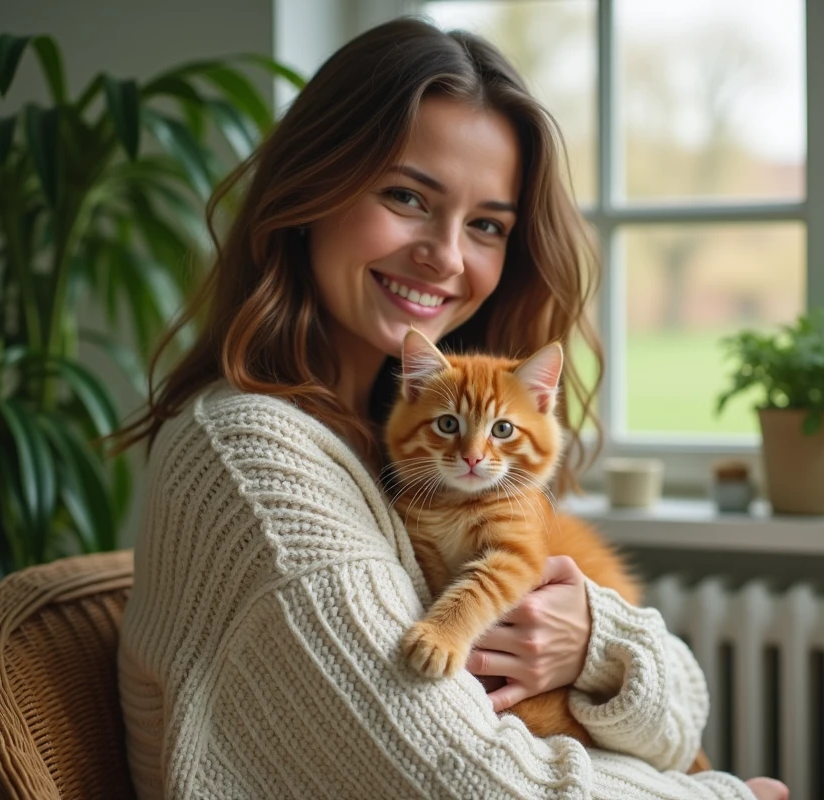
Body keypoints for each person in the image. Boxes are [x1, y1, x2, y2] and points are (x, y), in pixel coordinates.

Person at [114, 16, 788, 800]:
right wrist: (731, 797)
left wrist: (593, 646)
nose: (448, 255)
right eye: (407, 196)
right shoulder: (253, 455)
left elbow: (682, 724)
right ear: (309, 190)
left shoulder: (405, 438)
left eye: (487, 226)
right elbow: (468, 781)